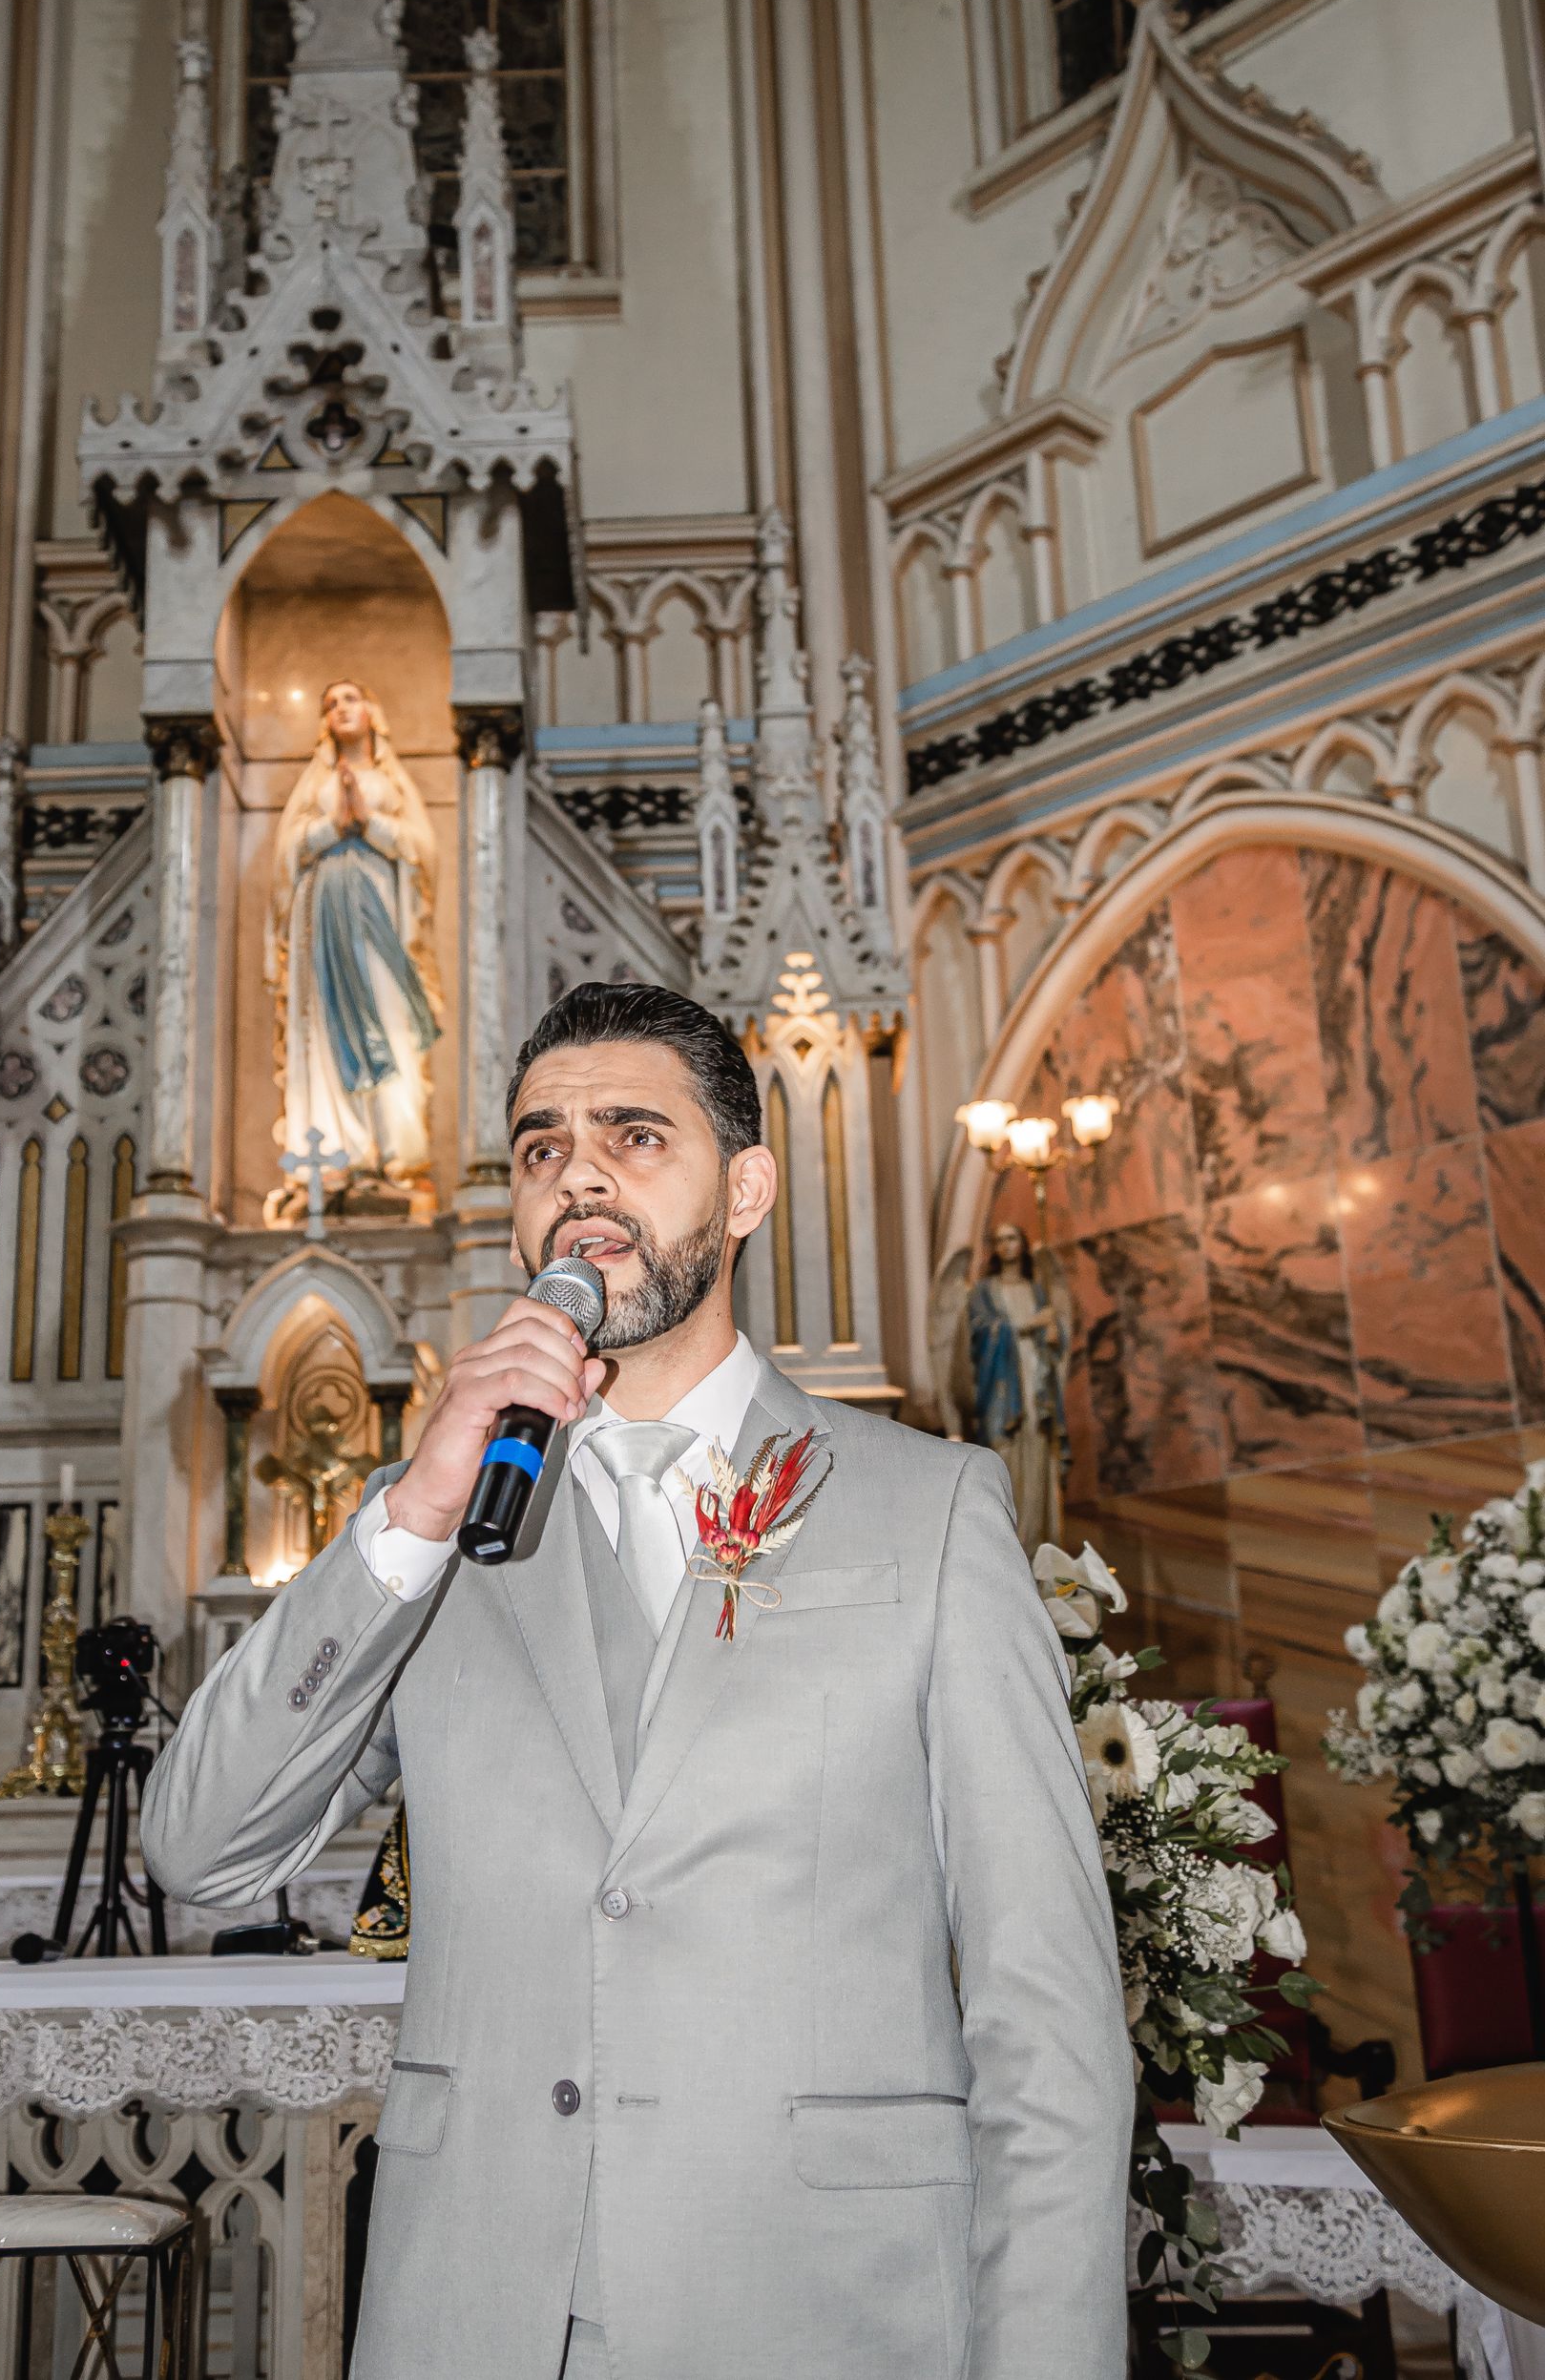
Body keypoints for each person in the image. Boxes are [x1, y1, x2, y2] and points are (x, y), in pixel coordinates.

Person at [143, 983, 1131, 2380]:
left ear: (745, 1188)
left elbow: (1049, 2020)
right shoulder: (439, 1527)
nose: (579, 1173)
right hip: (476, 2316)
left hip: (831, 2312)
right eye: (541, 1147)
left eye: (633, 1136)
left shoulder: (935, 1511)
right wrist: (409, 1515)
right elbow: (200, 1850)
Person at [266, 679, 443, 1205]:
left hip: (381, 926)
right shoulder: (314, 783)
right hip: (322, 927)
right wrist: (330, 827)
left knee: (392, 1026)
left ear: (372, 711)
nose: (340, 708)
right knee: (325, 1034)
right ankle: (337, 1158)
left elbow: (422, 851)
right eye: (330, 703)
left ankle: (396, 1159)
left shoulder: (392, 781)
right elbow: (285, 855)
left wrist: (369, 824)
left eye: (350, 698)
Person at [968, 1220, 1070, 1555]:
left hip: (1035, 1382)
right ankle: (1011, 1545)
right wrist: (1027, 1325)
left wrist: (1052, 1333)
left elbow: (1053, 1342)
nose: (1006, 1245)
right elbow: (981, 1334)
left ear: (1023, 1244)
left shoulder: (1034, 1289)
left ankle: (1039, 1541)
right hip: (1003, 1385)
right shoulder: (985, 1290)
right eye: (1000, 1240)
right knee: (1006, 1454)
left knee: (1038, 1451)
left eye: (1012, 1238)